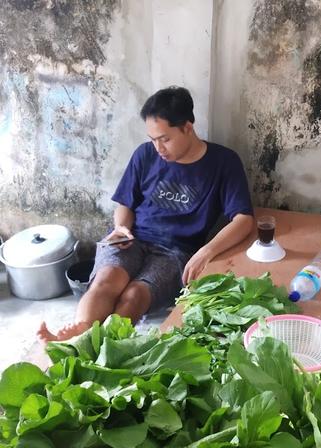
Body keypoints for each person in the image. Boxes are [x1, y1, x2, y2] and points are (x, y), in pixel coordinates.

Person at [37, 86, 254, 342]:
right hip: (133, 238)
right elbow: (125, 203)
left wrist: (205, 252)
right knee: (107, 280)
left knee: (134, 295)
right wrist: (120, 227)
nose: (158, 148)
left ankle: (100, 346)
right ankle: (79, 333)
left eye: (165, 139)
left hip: (176, 251)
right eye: (153, 139)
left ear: (187, 127)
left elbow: (243, 219)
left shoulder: (223, 162)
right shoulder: (145, 154)